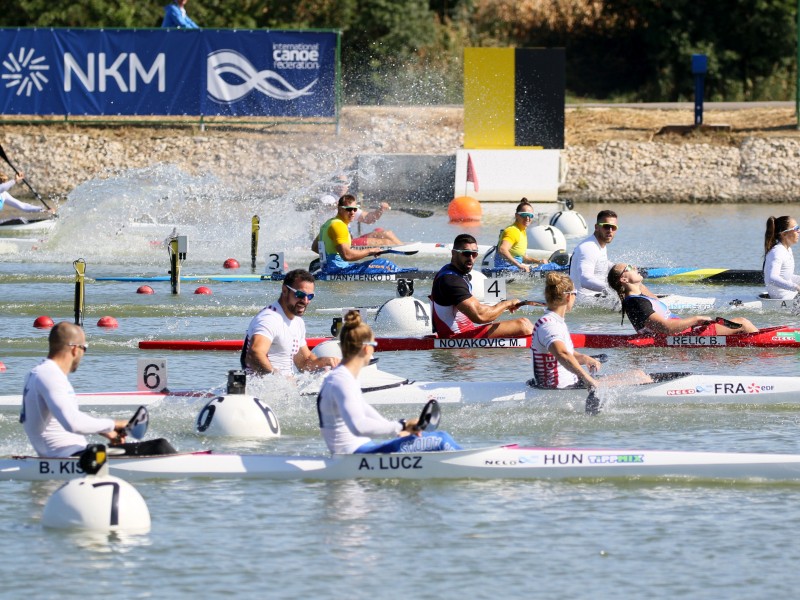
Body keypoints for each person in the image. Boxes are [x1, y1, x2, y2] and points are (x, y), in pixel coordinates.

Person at [21, 322, 176, 458]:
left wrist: (104, 431)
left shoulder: (37, 373)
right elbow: (72, 423)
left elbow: (64, 415)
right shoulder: (51, 376)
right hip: (73, 457)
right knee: (160, 447)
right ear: (75, 349)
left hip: (69, 454)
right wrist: (114, 424)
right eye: (85, 349)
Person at [317, 310, 461, 454]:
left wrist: (402, 429)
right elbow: (358, 426)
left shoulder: (343, 378)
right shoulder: (341, 381)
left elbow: (369, 414)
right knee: (442, 439)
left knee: (427, 437)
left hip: (362, 449)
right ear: (367, 348)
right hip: (355, 454)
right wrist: (401, 425)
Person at [531, 272, 651, 389]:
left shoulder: (554, 321)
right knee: (641, 379)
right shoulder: (549, 325)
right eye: (575, 294)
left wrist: (584, 358)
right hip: (559, 388)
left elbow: (567, 353)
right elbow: (562, 354)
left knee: (638, 374)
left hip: (570, 382)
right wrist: (588, 379)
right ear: (568, 296)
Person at [430, 233, 533, 338]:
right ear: (454, 253)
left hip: (467, 333)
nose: (471, 258)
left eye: (474, 254)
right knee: (523, 325)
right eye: (466, 253)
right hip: (455, 338)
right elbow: (480, 316)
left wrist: (502, 305)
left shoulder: (456, 273)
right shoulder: (451, 280)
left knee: (523, 324)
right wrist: (507, 304)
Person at [607, 263, 758, 335]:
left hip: (685, 333)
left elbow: (641, 288)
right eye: (628, 268)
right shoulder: (636, 302)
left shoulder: (640, 295)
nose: (633, 266)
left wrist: (636, 279)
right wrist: (696, 318)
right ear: (624, 280)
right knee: (743, 323)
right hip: (681, 336)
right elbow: (665, 328)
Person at [242, 269, 340, 376]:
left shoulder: (298, 322)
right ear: (285, 290)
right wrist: (279, 381)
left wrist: (325, 361)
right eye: (300, 294)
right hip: (260, 389)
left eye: (310, 296)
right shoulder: (269, 319)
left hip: (285, 389)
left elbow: (304, 363)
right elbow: (254, 354)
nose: (306, 301)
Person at [311, 194, 414, 275]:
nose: (352, 212)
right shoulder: (339, 226)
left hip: (329, 270)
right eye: (348, 209)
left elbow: (315, 247)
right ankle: (411, 273)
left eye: (354, 209)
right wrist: (370, 250)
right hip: (338, 271)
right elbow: (347, 255)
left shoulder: (328, 224)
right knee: (384, 264)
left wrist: (329, 258)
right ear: (340, 209)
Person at [319, 175, 401, 247]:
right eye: (339, 182)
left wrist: (380, 210)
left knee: (384, 232)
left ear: (348, 186)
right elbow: (325, 207)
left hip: (349, 240)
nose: (342, 185)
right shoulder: (328, 198)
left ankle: (403, 247)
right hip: (340, 244)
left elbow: (369, 219)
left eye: (345, 183)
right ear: (333, 185)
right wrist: (337, 205)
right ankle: (403, 248)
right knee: (386, 240)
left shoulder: (348, 204)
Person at [493, 198, 547, 272]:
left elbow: (523, 257)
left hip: (515, 267)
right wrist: (519, 265)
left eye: (530, 215)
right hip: (504, 268)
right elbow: (502, 250)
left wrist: (538, 262)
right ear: (516, 216)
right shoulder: (512, 230)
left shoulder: (522, 231)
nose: (527, 218)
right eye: (524, 215)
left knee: (547, 266)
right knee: (553, 267)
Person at [763, 215, 800, 299]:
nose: (799, 231)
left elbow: (786, 277)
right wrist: (795, 287)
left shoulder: (787, 250)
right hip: (782, 299)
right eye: (796, 228)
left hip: (791, 295)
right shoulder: (777, 252)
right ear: (784, 234)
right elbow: (771, 278)